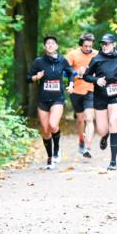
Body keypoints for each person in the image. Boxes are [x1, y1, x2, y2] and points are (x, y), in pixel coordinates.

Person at [82, 33, 117, 170]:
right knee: (102, 130)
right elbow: (86, 76)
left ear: (114, 44)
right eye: (103, 44)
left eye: (107, 44)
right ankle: (105, 137)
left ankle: (113, 161)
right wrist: (96, 80)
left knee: (113, 123)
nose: (104, 46)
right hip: (100, 96)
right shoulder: (96, 59)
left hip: (115, 95)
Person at [27, 35, 78, 170]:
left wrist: (71, 84)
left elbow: (71, 73)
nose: (50, 45)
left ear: (56, 46)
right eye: (48, 43)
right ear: (45, 47)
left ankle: (57, 149)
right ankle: (50, 158)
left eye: (52, 43)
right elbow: (28, 78)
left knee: (53, 124)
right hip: (43, 99)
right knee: (45, 130)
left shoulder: (62, 60)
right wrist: (36, 77)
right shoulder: (39, 62)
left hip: (57, 99)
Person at [66, 33, 98, 158]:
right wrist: (76, 72)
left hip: (91, 90)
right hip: (76, 91)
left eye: (90, 46)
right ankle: (81, 140)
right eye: (86, 46)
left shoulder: (97, 55)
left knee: (89, 118)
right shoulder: (72, 55)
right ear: (81, 44)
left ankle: (88, 147)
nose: (88, 48)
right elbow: (64, 71)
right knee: (80, 120)